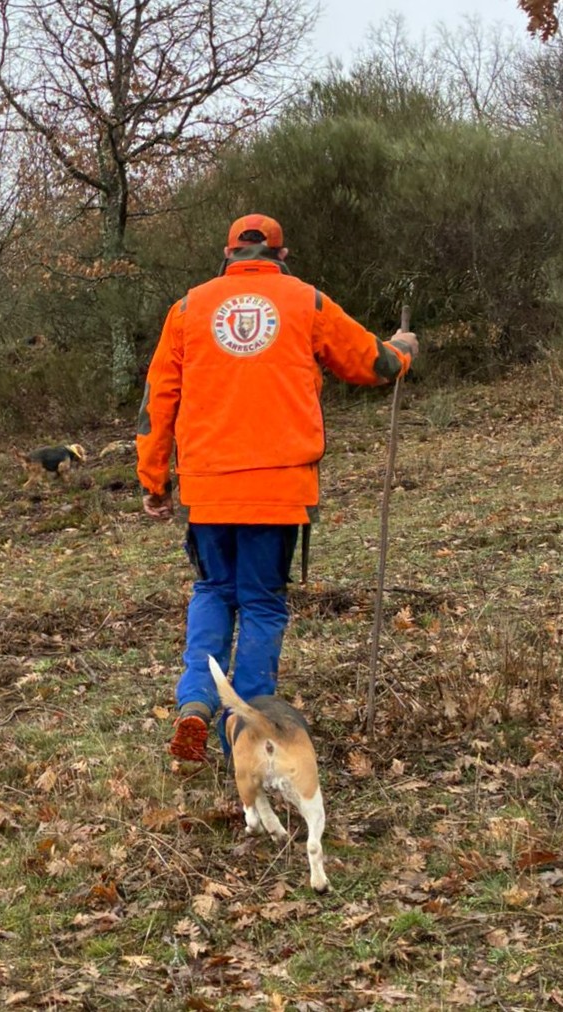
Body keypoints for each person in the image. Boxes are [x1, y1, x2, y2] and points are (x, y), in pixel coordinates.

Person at [136, 213, 420, 764]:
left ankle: (195, 703)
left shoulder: (189, 309)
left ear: (228, 254)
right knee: (263, 603)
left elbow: (157, 401)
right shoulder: (306, 302)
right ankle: (245, 730)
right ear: (281, 256)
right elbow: (373, 363)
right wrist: (404, 347)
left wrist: (154, 481)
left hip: (208, 488)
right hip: (279, 488)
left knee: (215, 591)